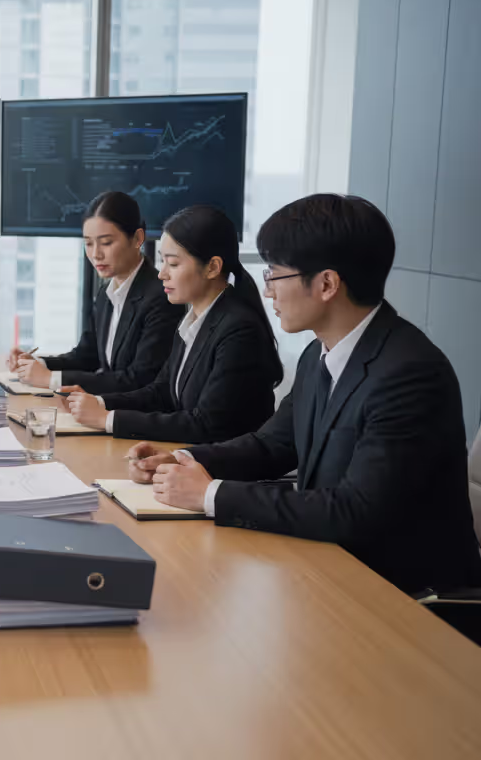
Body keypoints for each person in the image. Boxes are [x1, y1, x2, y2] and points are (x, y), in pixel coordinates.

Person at [128, 194, 481, 595]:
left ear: (327, 284)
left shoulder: (409, 374)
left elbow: (356, 512)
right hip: (332, 572)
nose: (268, 292)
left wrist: (210, 494)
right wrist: (181, 460)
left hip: (407, 599)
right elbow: (272, 445)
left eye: (275, 275)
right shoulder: (320, 352)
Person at [62, 205, 283, 443]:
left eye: (174, 264)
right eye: (162, 262)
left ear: (212, 267)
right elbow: (162, 392)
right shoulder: (194, 319)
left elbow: (205, 424)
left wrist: (107, 419)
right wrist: (100, 402)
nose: (162, 274)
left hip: (221, 471)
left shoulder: (239, 330)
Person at [7, 191, 183, 393]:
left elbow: (139, 380)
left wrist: (51, 379)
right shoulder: (106, 294)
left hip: (130, 417)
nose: (96, 254)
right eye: (88, 243)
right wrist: (37, 363)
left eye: (106, 242)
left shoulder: (161, 297)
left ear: (137, 238)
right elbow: (86, 357)